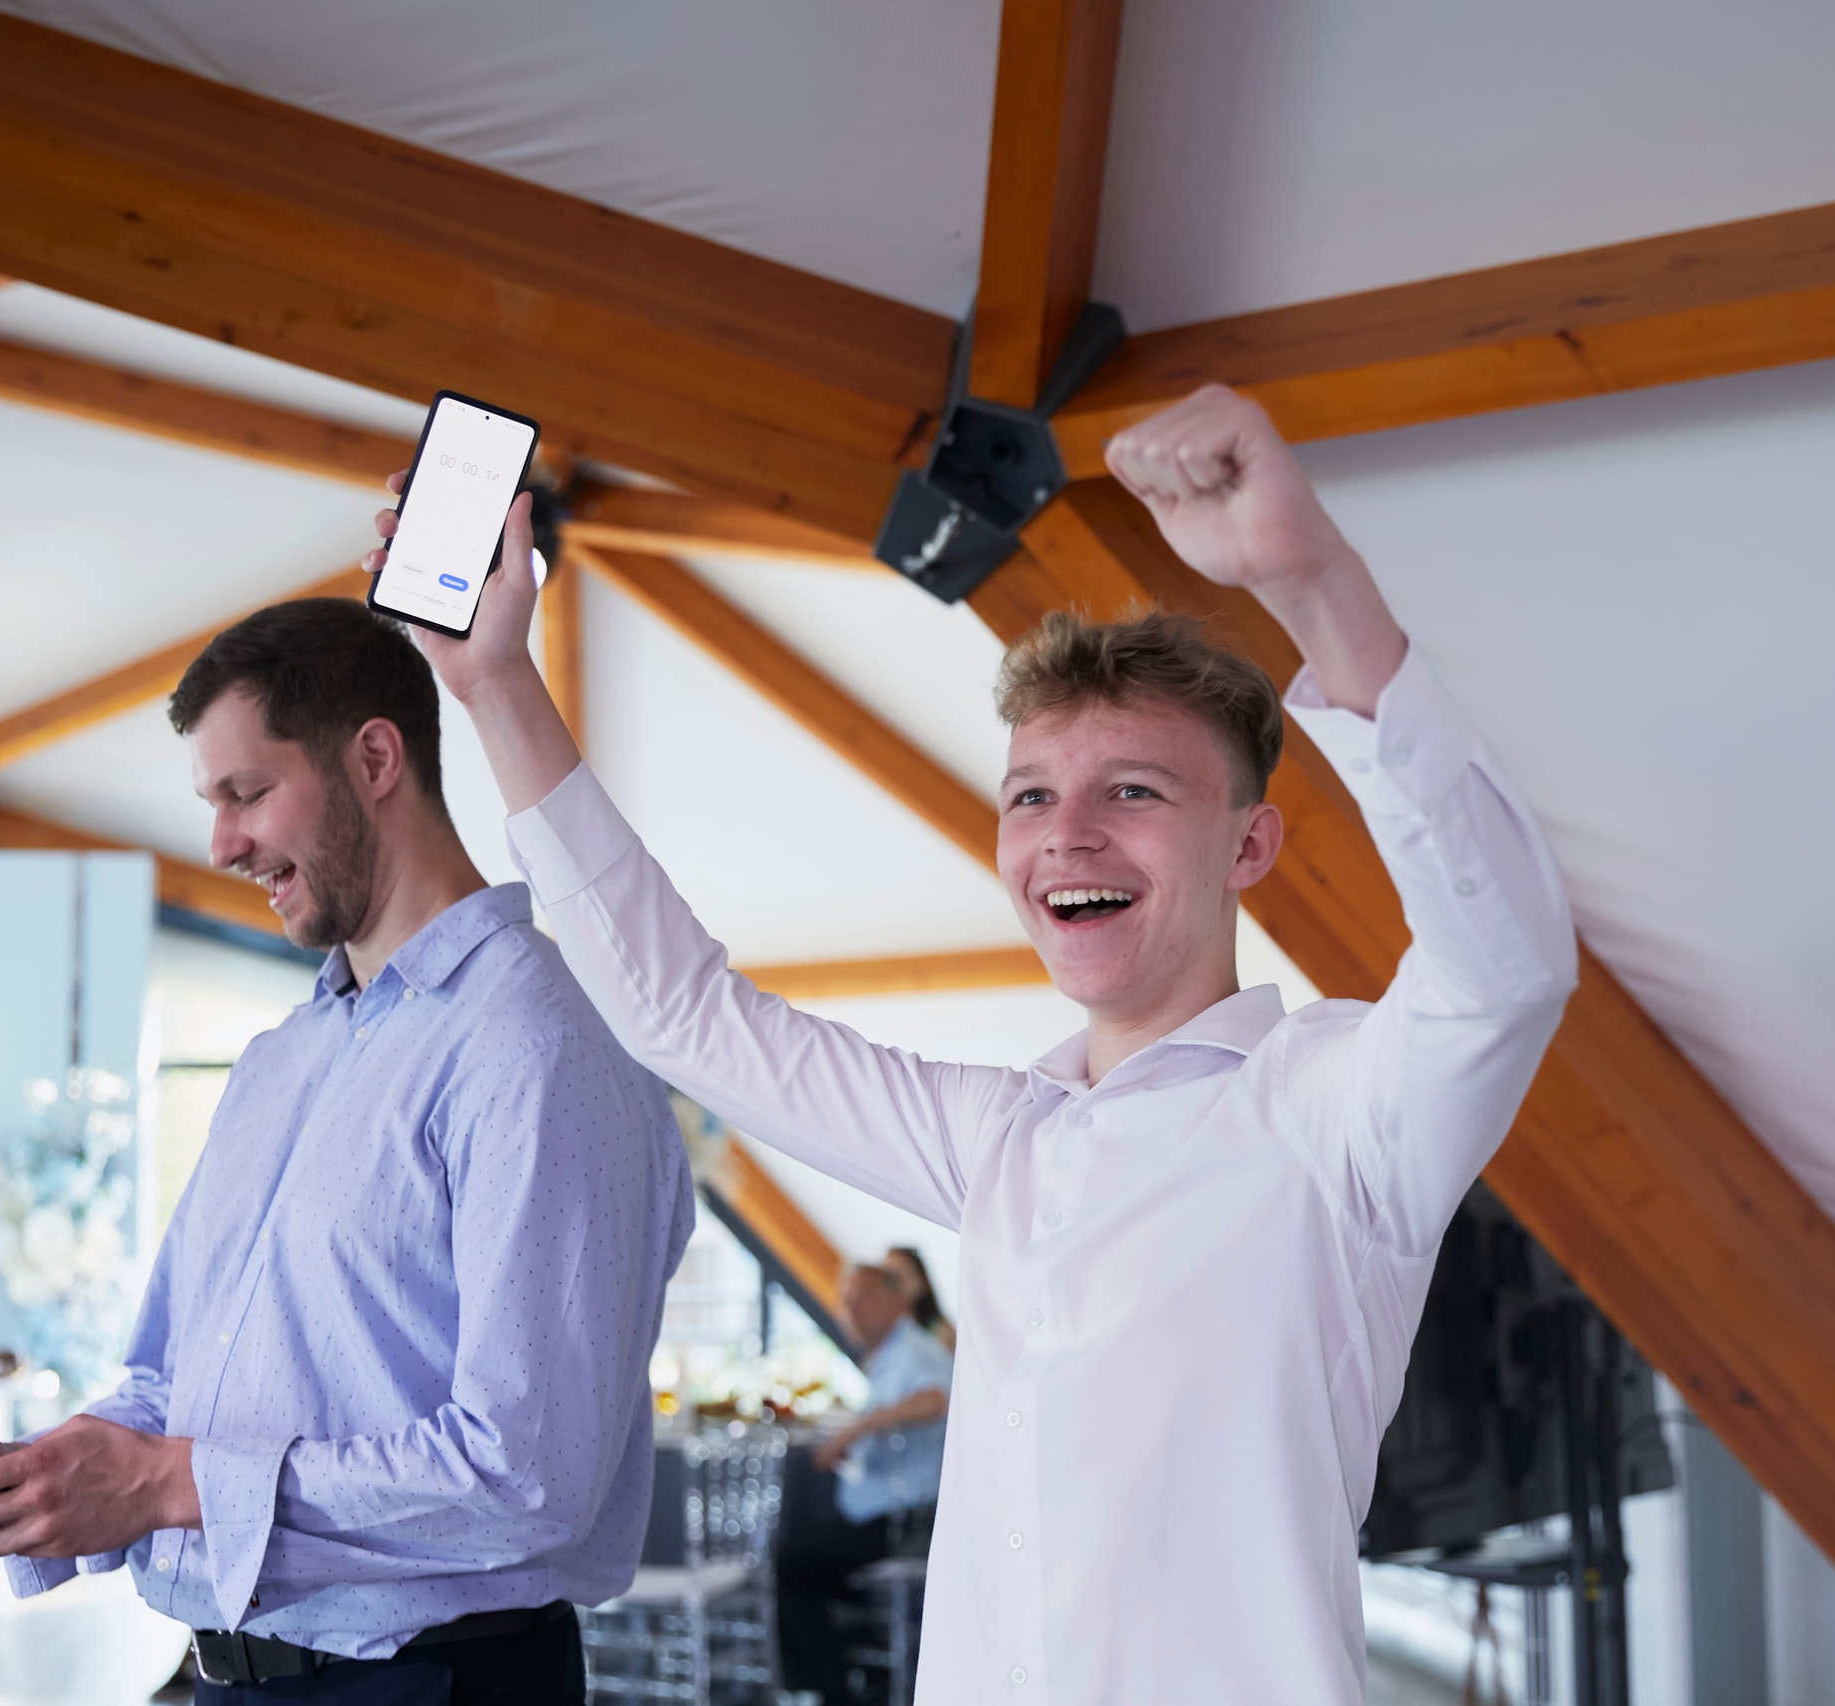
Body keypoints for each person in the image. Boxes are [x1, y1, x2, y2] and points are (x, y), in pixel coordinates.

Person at [372, 382, 1577, 1699]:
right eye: (1032, 796)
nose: (1068, 833)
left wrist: (1315, 582)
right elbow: (685, 1014)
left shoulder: (1338, 1109)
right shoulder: (999, 1136)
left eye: (1135, 791)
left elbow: (1503, 966)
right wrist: (490, 683)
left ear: (1250, 845)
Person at [0, 600, 695, 1705]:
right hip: (224, 1675)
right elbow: (172, 1380)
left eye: (247, 793)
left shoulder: (538, 1040)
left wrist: (169, 1483)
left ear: (376, 757)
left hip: (437, 1683)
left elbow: (528, 1473)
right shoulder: (276, 1061)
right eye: (213, 804)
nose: (221, 845)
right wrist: (48, 1471)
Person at [780, 1263, 952, 1703]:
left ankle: (832, 1691)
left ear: (899, 1301)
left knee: (793, 1560)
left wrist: (861, 1427)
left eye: (865, 1297)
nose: (852, 1310)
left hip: (908, 1524)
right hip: (884, 1518)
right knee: (800, 1561)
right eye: (847, 1300)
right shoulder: (887, 1358)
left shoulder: (916, 1350)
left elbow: (936, 1399)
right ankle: (843, 1679)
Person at [881, 1246, 954, 1354]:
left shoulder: (942, 1334)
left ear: (921, 1281)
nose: (892, 1288)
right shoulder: (886, 1337)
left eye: (897, 1277)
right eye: (885, 1279)